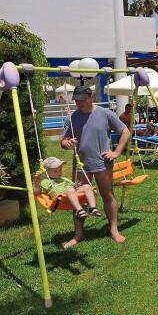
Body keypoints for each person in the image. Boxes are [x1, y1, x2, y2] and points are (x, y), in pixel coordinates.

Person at [61, 85, 130, 248]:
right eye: (76, 100)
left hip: (102, 164)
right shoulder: (71, 118)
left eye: (82, 99)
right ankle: (78, 234)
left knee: (107, 195)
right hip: (81, 165)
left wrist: (116, 152)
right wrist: (67, 143)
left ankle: (114, 229)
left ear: (91, 97)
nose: (79, 103)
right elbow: (63, 141)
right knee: (79, 199)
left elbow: (125, 132)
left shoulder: (106, 114)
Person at [33, 157, 100, 219]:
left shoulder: (64, 179)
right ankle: (79, 210)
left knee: (87, 186)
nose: (59, 172)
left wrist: (76, 186)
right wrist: (37, 180)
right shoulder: (45, 182)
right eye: (55, 171)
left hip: (71, 193)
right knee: (70, 190)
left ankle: (93, 208)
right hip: (61, 198)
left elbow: (73, 187)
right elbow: (37, 193)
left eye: (60, 169)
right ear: (46, 172)